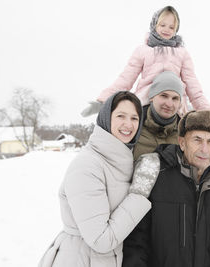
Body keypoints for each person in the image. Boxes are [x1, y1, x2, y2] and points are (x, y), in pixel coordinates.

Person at [38, 91, 158, 267]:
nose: (128, 124)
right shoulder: (87, 166)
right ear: (105, 118)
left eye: (134, 118)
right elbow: (100, 240)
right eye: (120, 116)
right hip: (79, 259)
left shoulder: (120, 160)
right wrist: (139, 194)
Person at [122, 110, 210, 267]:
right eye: (197, 140)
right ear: (182, 142)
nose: (204, 149)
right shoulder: (156, 175)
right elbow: (136, 239)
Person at [81, 5, 210, 118]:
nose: (167, 29)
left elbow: (193, 85)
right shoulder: (143, 50)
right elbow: (126, 78)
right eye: (163, 25)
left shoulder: (182, 53)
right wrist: (103, 101)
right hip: (146, 103)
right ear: (155, 25)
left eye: (172, 27)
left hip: (173, 107)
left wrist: (207, 112)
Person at [133, 70, 183, 161]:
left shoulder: (184, 135)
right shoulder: (133, 127)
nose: (169, 104)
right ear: (152, 96)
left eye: (175, 98)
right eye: (164, 96)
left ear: (180, 103)